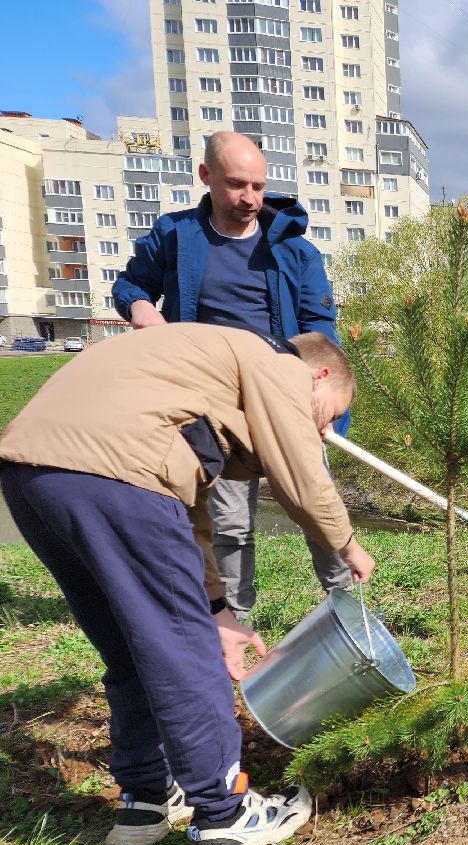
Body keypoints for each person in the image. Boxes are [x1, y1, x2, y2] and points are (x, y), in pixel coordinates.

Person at [0, 323, 375, 845]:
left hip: (33, 477)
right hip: (118, 476)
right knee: (183, 652)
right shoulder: (276, 363)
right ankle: (226, 815)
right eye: (330, 414)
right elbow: (298, 463)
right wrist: (343, 540)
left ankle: (145, 798)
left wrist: (219, 609)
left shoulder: (191, 378)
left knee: (132, 648)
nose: (324, 432)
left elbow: (188, 510)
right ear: (318, 375)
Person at [113, 131, 351, 623]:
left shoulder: (294, 250)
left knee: (316, 507)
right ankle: (236, 623)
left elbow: (320, 329)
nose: (250, 199)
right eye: (237, 185)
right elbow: (131, 284)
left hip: (284, 397)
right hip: (210, 404)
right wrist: (140, 308)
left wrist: (315, 392)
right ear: (206, 177)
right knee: (230, 523)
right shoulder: (176, 237)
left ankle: (350, 608)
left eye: (259, 187)